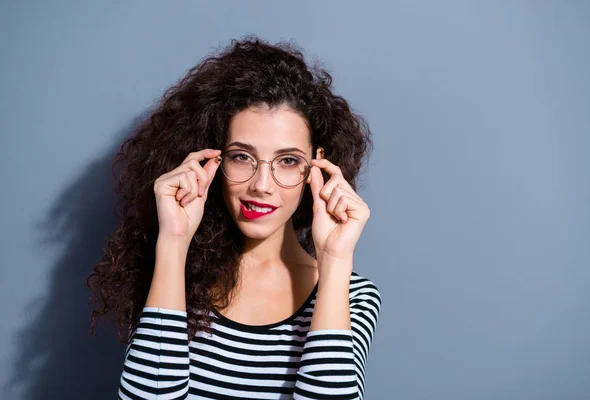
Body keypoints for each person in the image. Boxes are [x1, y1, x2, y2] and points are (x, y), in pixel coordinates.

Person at [87, 35, 382, 399]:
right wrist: (174, 243)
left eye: (288, 161)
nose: (261, 185)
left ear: (316, 167)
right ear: (213, 158)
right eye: (242, 156)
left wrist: (335, 261)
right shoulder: (171, 277)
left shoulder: (353, 296)